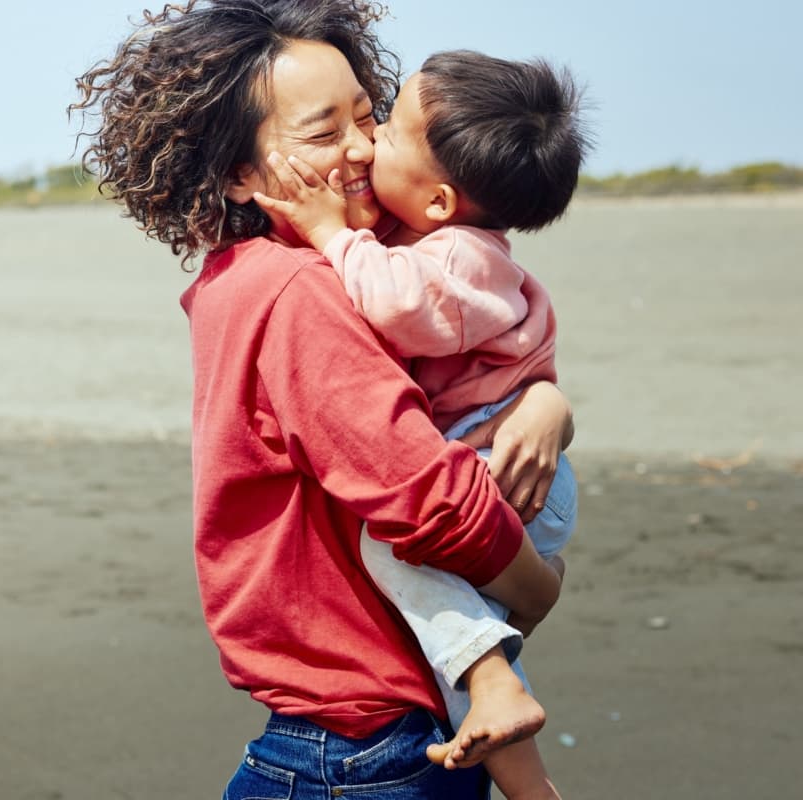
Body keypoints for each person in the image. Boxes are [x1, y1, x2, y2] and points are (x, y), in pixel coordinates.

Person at [71, 3, 573, 798]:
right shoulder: (301, 291)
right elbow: (425, 498)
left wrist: (546, 398)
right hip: (360, 751)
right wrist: (535, 588)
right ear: (239, 172)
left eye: (369, 117)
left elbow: (478, 338)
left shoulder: (250, 278)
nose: (365, 147)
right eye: (322, 131)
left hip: (352, 737)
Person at [253, 49, 589, 798]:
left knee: (397, 554)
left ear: (439, 201)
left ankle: (500, 685)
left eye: (387, 132)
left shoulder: (462, 256)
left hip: (505, 475)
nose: (369, 146)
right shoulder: (435, 234)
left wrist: (330, 231)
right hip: (500, 461)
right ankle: (530, 779)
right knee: (450, 646)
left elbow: (397, 305)